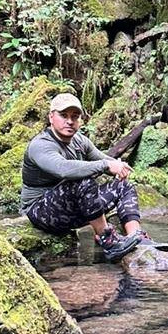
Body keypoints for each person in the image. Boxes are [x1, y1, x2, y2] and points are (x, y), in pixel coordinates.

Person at [20, 92, 146, 261]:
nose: (70, 121)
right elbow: (63, 169)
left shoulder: (79, 141)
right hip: (41, 211)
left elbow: (102, 159)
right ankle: (108, 240)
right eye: (63, 115)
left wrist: (119, 167)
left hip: (73, 208)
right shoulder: (40, 145)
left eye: (75, 116)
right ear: (51, 117)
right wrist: (106, 165)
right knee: (82, 181)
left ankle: (136, 237)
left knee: (123, 186)